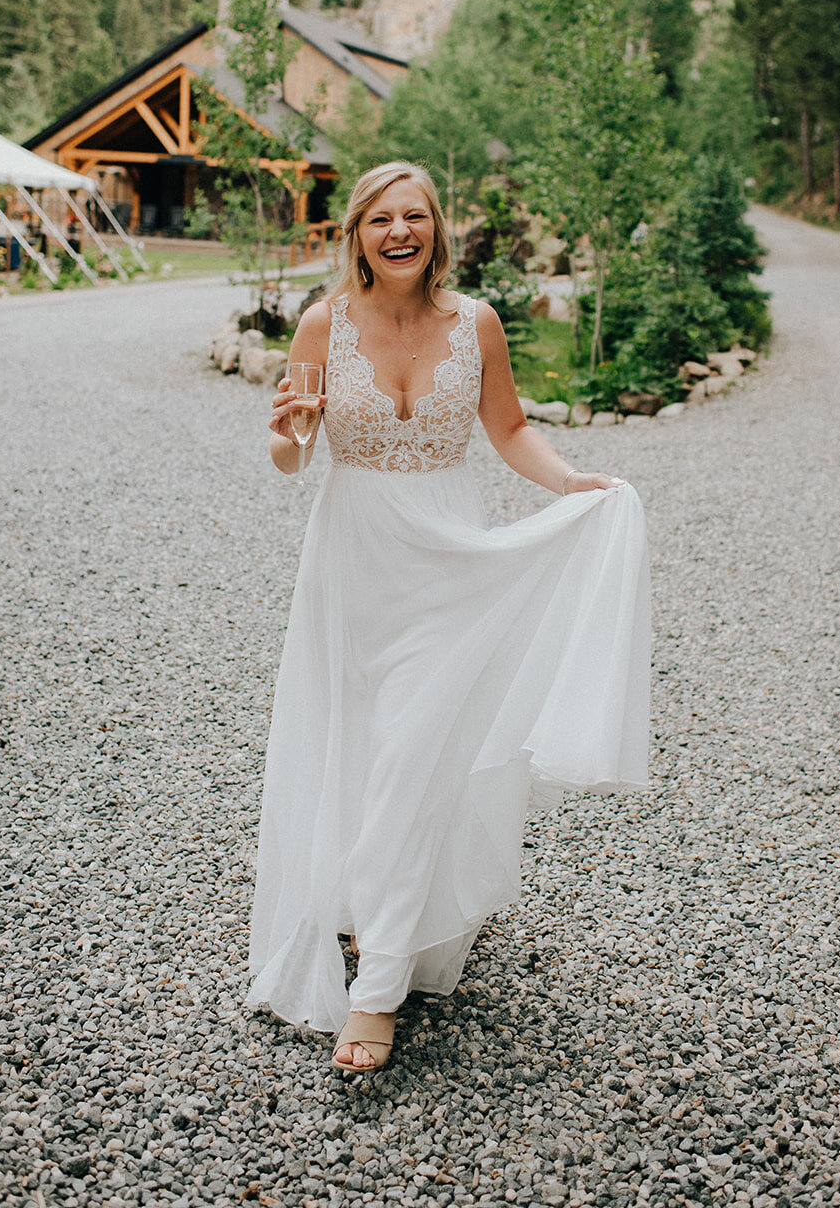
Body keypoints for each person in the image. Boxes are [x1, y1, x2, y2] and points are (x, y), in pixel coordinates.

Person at [249, 161, 651, 1073]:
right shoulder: (323, 322)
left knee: (413, 750)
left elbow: (508, 430)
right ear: (355, 232)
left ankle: (379, 987)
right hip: (353, 564)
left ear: (438, 228)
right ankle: (371, 904)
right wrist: (287, 428)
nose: (400, 233)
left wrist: (573, 483)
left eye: (416, 217)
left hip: (449, 560)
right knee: (362, 743)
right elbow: (291, 456)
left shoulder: (476, 323)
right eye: (381, 219)